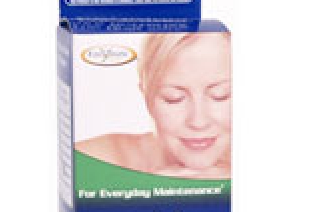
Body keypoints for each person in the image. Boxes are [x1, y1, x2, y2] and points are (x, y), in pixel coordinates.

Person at [75, 32, 231, 179]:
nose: (198, 122)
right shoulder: (90, 161)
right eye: (173, 98)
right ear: (146, 97)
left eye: (220, 95)